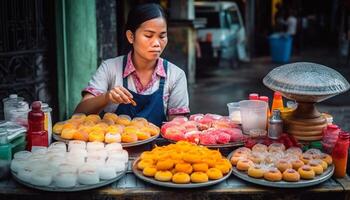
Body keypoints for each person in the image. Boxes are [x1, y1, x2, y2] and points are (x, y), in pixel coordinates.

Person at [74, 3, 190, 126]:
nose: (157, 43)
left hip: (159, 145)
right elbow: (79, 114)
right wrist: (106, 97)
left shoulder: (176, 75)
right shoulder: (110, 68)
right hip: (115, 144)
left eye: (162, 36)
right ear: (131, 36)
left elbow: (178, 127)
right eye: (148, 35)